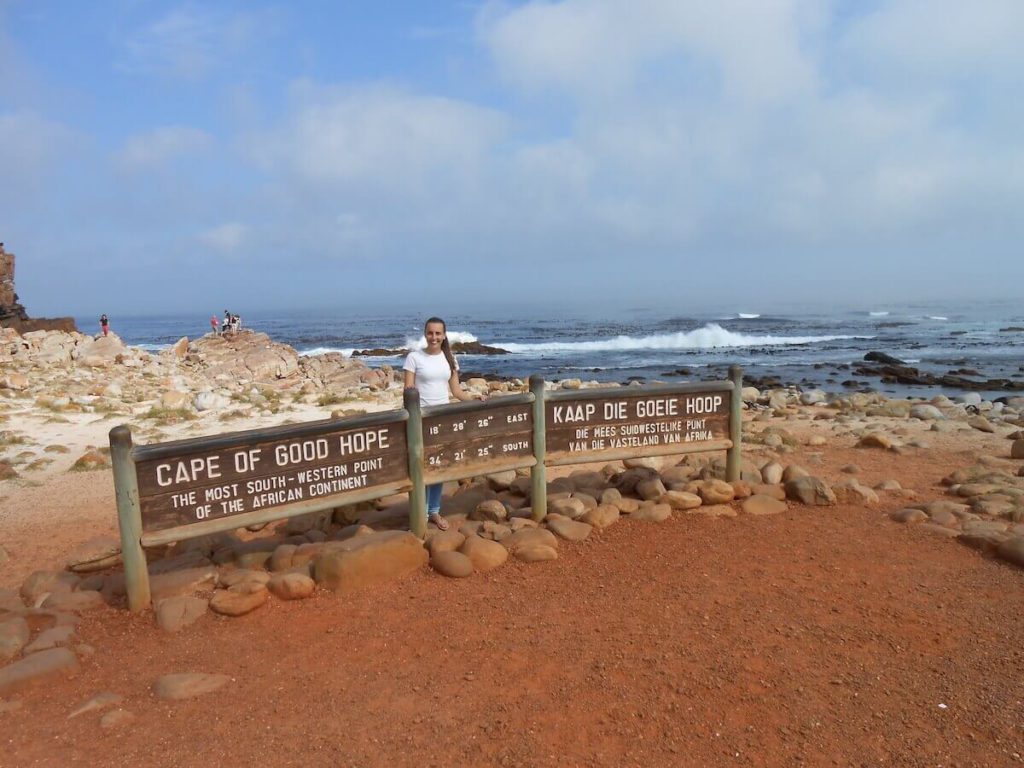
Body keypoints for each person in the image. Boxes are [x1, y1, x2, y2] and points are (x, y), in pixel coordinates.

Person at [403, 316, 484, 531]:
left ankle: (434, 511)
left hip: (443, 419)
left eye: (438, 333)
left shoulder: (450, 359)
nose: (434, 337)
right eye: (430, 333)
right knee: (420, 466)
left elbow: (456, 391)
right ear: (425, 334)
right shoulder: (414, 358)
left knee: (438, 466)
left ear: (444, 335)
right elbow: (408, 390)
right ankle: (420, 511)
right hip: (420, 420)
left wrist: (473, 398)